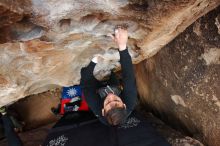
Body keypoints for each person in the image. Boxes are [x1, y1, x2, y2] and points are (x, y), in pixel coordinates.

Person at [80, 25, 137, 125]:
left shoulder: (96, 106)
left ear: (103, 111)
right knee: (113, 80)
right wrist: (122, 46)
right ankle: (112, 73)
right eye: (116, 100)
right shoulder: (130, 102)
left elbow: (85, 81)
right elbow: (128, 76)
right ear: (124, 105)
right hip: (115, 88)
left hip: (97, 92)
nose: (110, 96)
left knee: (90, 79)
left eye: (108, 103)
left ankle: (107, 80)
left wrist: (93, 62)